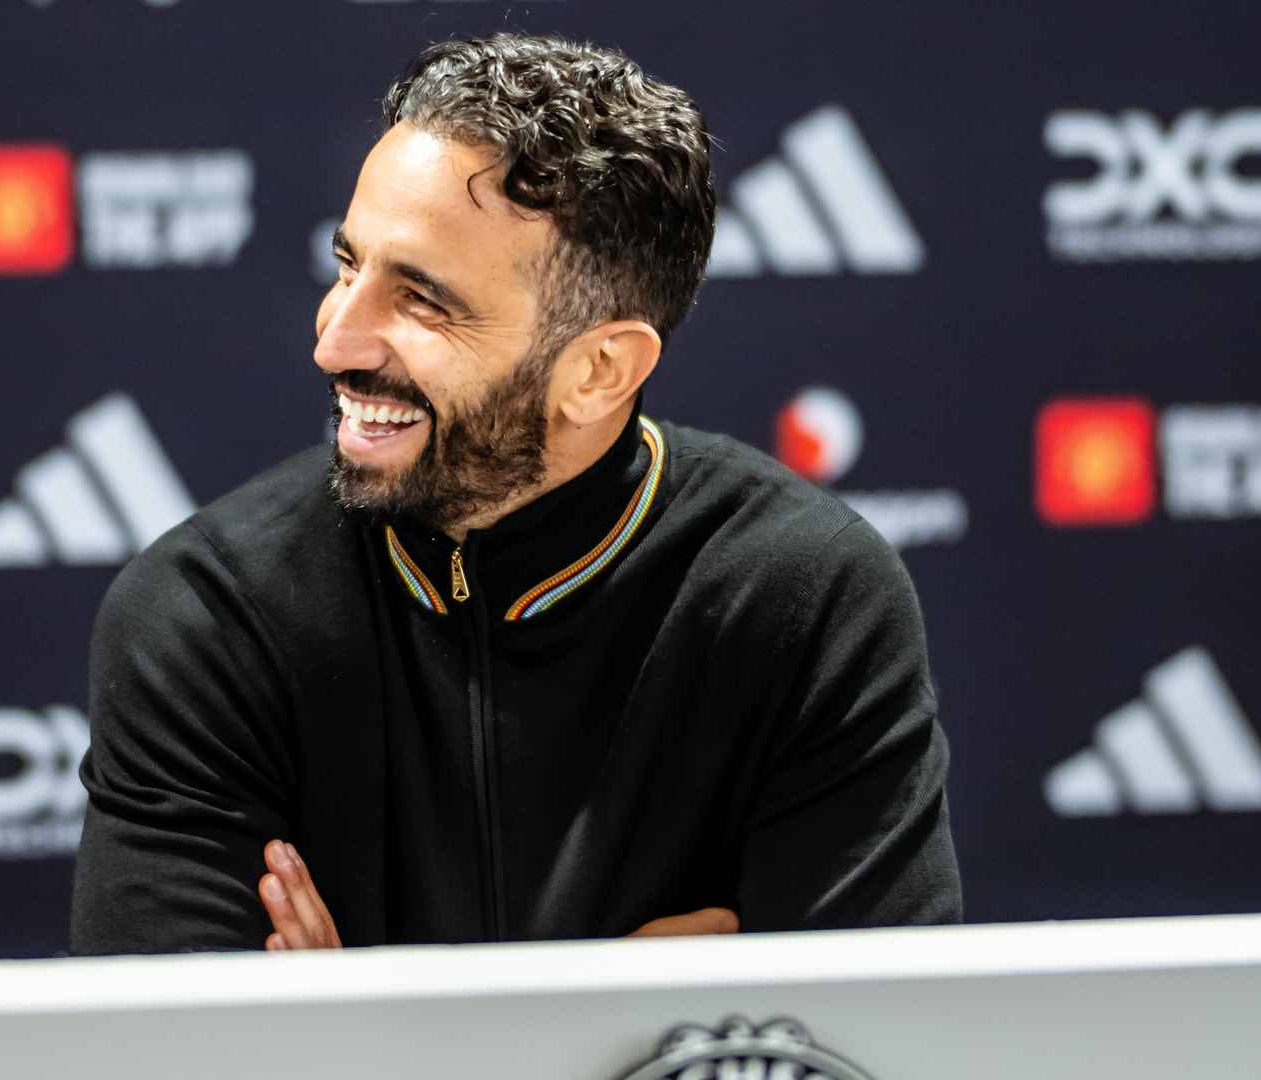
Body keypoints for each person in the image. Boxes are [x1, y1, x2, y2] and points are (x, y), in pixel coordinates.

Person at [70, 32, 960, 954]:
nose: (335, 340)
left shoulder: (806, 599)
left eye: (421, 301)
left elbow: (875, 1047)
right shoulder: (207, 617)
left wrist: (347, 1037)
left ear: (600, 370)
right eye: (347, 267)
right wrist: (620, 1031)